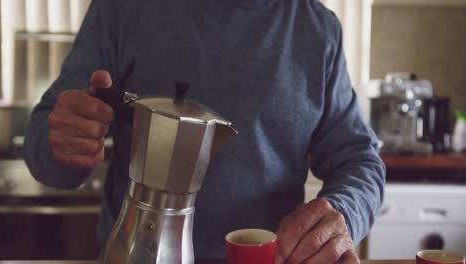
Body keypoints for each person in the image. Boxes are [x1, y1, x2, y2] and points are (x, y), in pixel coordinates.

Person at [23, 0, 386, 263]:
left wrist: (341, 213)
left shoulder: (318, 30)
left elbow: (360, 161)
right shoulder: (122, 9)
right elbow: (44, 144)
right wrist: (65, 142)